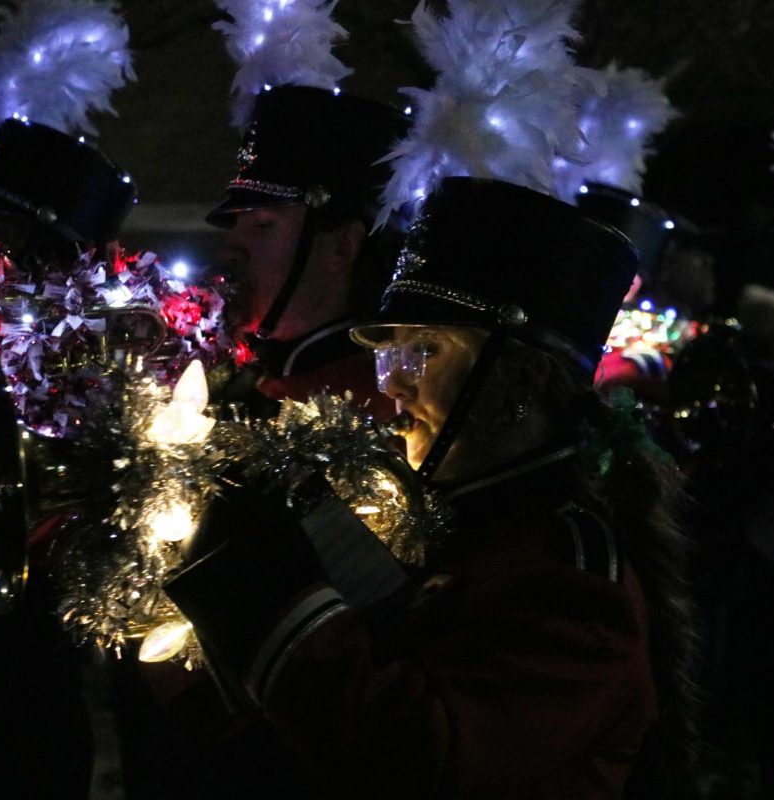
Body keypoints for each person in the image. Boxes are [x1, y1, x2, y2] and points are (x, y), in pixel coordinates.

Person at [166, 177, 701, 798]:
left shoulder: (570, 580)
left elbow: (424, 764)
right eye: (389, 353)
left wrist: (270, 582)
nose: (392, 385)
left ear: (518, 381)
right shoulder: (448, 516)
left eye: (423, 350)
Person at [207, 85, 410, 420]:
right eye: (235, 225)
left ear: (342, 247)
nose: (230, 248)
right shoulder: (227, 382)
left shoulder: (389, 411)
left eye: (262, 226)